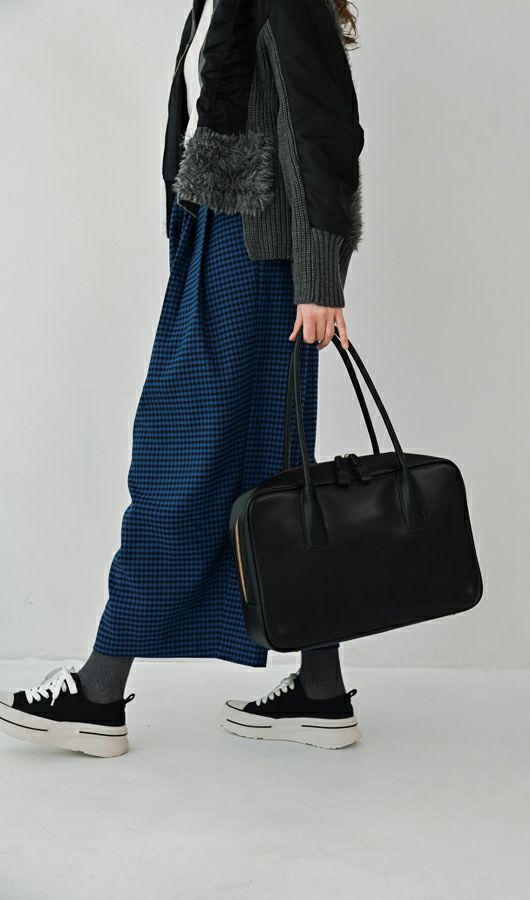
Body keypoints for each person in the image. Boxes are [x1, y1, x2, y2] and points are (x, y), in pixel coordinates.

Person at [0, 0, 364, 756]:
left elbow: (322, 124)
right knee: (275, 474)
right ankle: (322, 689)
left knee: (179, 459)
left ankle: (99, 695)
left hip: (255, 254)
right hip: (227, 240)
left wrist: (318, 278)